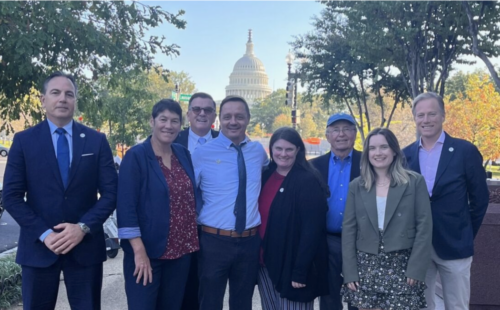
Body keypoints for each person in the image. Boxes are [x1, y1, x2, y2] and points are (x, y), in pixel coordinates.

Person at [3, 71, 117, 309]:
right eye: (55, 93)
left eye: (69, 94)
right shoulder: (24, 140)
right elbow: (11, 196)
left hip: (85, 249)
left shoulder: (96, 140)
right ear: (43, 100)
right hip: (39, 248)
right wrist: (45, 234)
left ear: (75, 101)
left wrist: (83, 228)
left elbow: (111, 193)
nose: (63, 99)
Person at [403, 92, 489, 310]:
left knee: (457, 305)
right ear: (414, 118)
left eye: (432, 114)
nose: (426, 120)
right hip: (417, 245)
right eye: (421, 115)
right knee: (421, 305)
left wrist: (466, 231)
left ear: (443, 115)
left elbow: (480, 199)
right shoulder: (405, 155)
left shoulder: (465, 151)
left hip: (455, 244)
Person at [117, 99, 200, 310]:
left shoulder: (183, 154)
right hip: (148, 253)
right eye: (163, 119)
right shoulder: (136, 156)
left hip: (181, 252)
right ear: (152, 121)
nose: (168, 126)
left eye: (174, 121)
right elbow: (126, 208)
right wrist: (139, 252)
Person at [342, 127, 433, 310]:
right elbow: (349, 230)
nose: (378, 153)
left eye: (383, 147)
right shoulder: (357, 186)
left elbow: (424, 227)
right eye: (373, 148)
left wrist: (416, 268)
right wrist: (350, 272)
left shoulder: (414, 182)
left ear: (394, 150)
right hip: (366, 266)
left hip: (402, 265)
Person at [192, 95, 268, 310]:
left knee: (243, 304)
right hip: (213, 241)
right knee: (209, 302)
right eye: (227, 117)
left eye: (239, 116)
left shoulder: (258, 152)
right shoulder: (202, 153)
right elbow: (188, 193)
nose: (233, 121)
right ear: (219, 119)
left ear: (248, 119)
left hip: (249, 242)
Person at [258, 127, 329, 310]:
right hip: (265, 264)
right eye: (278, 149)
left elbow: (312, 231)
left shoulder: (308, 180)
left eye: (289, 149)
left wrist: (300, 271)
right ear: (271, 149)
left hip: (293, 267)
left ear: (298, 150)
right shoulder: (265, 176)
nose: (283, 154)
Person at [310, 112, 361, 310]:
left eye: (347, 129)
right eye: (336, 130)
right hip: (326, 241)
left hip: (360, 242)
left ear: (355, 133)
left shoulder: (368, 163)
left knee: (359, 297)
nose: (341, 134)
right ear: (327, 135)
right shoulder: (314, 166)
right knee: (329, 298)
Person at [173, 91, 218, 310]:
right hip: (176, 228)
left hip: (213, 229)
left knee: (209, 289)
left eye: (207, 109)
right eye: (196, 109)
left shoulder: (227, 140)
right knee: (180, 288)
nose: (202, 113)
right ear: (188, 114)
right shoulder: (170, 137)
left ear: (214, 115)